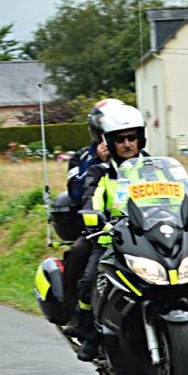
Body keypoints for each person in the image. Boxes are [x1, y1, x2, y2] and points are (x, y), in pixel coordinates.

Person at [72, 102, 151, 361]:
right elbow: (88, 197)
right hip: (110, 240)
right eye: (120, 139)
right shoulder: (99, 169)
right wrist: (93, 218)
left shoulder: (155, 167)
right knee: (88, 282)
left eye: (132, 137)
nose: (127, 143)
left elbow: (179, 194)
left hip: (151, 238)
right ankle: (90, 334)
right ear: (109, 141)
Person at [62, 98, 124, 337]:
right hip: (97, 229)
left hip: (139, 228)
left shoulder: (139, 155)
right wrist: (99, 161)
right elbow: (75, 192)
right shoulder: (82, 158)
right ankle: (76, 314)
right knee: (79, 254)